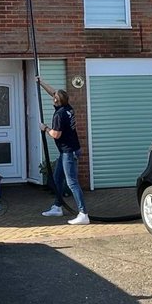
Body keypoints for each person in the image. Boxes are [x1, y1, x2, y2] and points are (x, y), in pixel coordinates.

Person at [36, 78, 89, 225]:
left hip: (68, 152)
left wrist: (45, 128)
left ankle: (83, 214)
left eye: (55, 98)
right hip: (69, 150)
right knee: (57, 177)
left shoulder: (59, 115)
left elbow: (56, 134)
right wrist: (40, 82)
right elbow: (53, 91)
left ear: (57, 101)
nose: (53, 97)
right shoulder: (68, 108)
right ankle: (58, 206)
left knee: (72, 183)